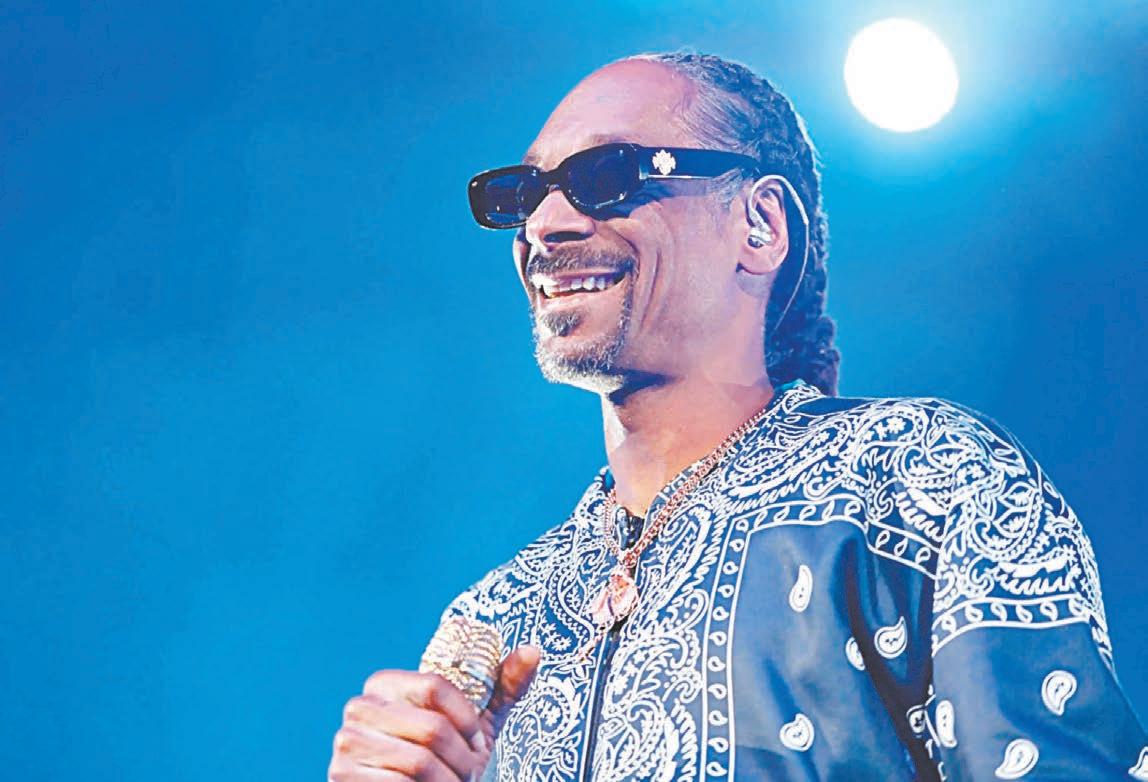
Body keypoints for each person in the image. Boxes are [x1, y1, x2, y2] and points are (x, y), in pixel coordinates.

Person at [328, 52, 1148, 781]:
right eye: (524, 194)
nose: (545, 225)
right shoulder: (500, 613)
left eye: (607, 176)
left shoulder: (919, 479)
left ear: (759, 225)